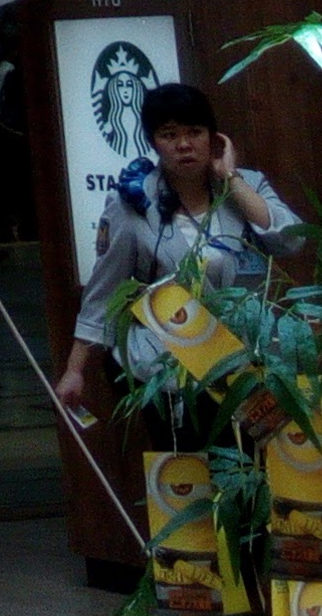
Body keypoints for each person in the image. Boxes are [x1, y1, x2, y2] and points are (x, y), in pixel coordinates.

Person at [52, 81, 305, 423]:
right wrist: (74, 369)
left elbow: (291, 241)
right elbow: (105, 290)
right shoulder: (133, 202)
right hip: (169, 369)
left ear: (214, 137)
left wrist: (230, 178)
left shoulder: (247, 185)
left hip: (245, 366)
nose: (184, 144)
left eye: (195, 132)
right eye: (169, 135)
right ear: (153, 141)